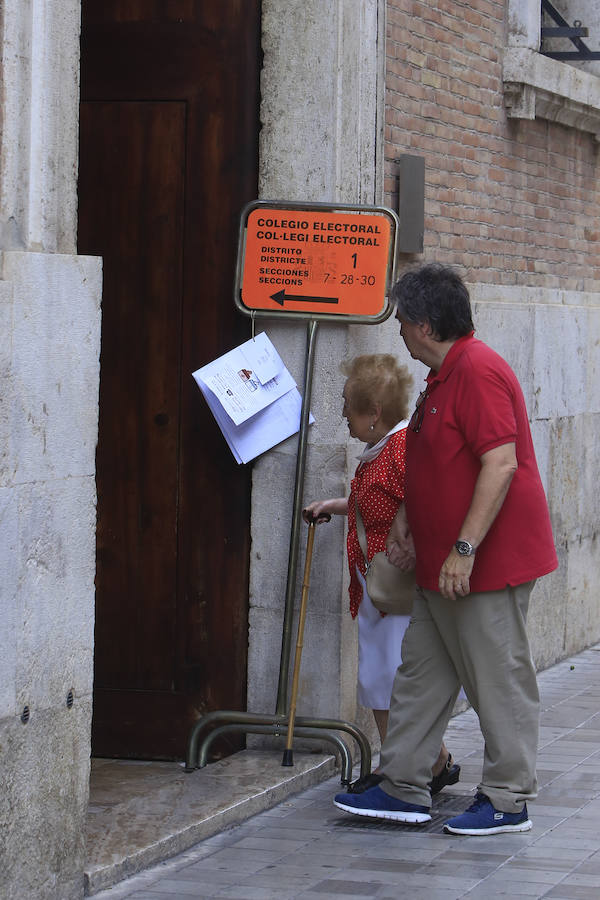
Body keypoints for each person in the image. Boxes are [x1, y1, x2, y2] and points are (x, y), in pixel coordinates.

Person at [333, 264, 558, 834]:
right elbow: (431, 461)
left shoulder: (478, 372)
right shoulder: (441, 378)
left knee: (497, 679)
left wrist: (463, 546)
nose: (399, 334)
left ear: (426, 325)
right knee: (419, 678)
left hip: (482, 566)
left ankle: (508, 801)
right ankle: (404, 785)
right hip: (439, 568)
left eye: (403, 323)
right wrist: (409, 517)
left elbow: (500, 463)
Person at [303, 353, 459, 795]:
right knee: (383, 680)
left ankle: (401, 774)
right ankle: (433, 763)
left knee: (388, 682)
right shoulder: (382, 448)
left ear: (373, 413)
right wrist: (336, 506)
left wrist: (414, 550)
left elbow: (427, 501)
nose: (343, 416)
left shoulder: (399, 449)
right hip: (378, 592)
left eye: (347, 406)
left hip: (396, 594)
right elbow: (377, 503)